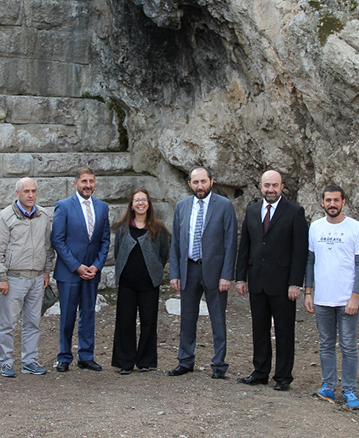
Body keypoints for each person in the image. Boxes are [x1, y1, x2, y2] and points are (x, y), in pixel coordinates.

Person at [235, 170, 308, 391]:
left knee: (284, 331)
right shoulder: (252, 210)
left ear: (282, 187)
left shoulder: (294, 212)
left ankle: (283, 376)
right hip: (257, 280)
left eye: (275, 185)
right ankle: (260, 372)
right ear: (260, 187)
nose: (271, 189)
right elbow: (245, 246)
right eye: (267, 185)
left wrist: (295, 283)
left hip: (283, 283)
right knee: (259, 329)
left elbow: (300, 251)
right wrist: (240, 278)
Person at [168, 166, 237, 379]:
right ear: (190, 184)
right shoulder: (182, 206)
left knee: (218, 319)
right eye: (196, 182)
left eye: (203, 181)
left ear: (211, 182)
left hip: (215, 272)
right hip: (189, 269)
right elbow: (176, 242)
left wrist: (227, 275)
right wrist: (175, 273)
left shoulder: (224, 206)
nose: (200, 186)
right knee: (187, 318)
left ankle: (219, 364)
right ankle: (185, 360)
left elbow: (230, 242)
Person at [305, 184, 359, 410]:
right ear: (322, 202)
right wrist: (308, 292)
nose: (332, 204)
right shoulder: (315, 227)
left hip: (347, 299)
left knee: (349, 345)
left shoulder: (355, 228)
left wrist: (356, 296)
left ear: (343, 202)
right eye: (328, 200)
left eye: (336, 200)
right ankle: (328, 386)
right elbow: (310, 260)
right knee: (326, 344)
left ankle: (349, 389)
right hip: (322, 298)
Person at [0, 177, 54, 378]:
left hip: (37, 277)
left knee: (33, 322)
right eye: (26, 191)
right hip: (14, 278)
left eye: (33, 191)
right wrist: (1, 276)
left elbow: (47, 246)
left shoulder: (43, 215)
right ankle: (6, 362)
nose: (31, 195)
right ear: (17, 193)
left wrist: (46, 271)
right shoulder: (5, 217)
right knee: (8, 323)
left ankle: (29, 361)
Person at [51, 166, 111, 372]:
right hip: (69, 272)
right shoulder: (63, 206)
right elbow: (57, 240)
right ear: (75, 183)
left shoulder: (102, 207)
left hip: (92, 273)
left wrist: (97, 265)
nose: (88, 185)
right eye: (84, 181)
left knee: (88, 315)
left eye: (91, 181)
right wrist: (77, 267)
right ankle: (64, 356)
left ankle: (86, 356)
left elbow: (105, 240)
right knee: (67, 316)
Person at [111, 188, 170, 374]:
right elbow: (117, 253)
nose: (140, 203)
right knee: (125, 322)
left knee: (148, 322)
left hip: (149, 284)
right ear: (131, 205)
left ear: (149, 204)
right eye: (137, 200)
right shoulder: (123, 229)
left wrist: (155, 270)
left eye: (144, 200)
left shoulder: (158, 229)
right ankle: (125, 361)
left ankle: (145, 360)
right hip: (127, 284)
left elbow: (163, 254)